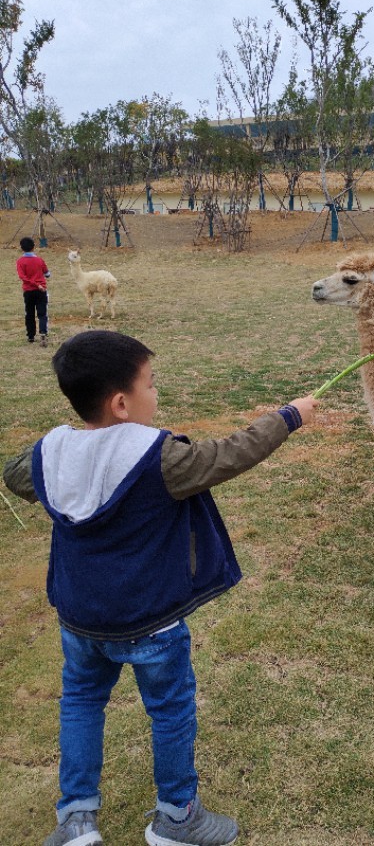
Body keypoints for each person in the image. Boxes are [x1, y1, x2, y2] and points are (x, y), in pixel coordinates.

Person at [3, 330, 318, 846]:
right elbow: (232, 453)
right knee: (170, 710)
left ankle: (76, 821)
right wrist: (290, 416)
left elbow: (16, 476)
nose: (157, 394)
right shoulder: (162, 458)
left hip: (80, 619)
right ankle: (177, 818)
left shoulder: (51, 451)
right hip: (151, 623)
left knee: (81, 701)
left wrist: (60, 443)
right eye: (151, 384)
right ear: (122, 403)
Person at [16, 236, 51, 347]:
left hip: (28, 291)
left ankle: (31, 336)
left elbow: (23, 277)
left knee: (29, 313)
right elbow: (47, 274)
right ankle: (43, 333)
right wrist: (38, 284)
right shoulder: (39, 260)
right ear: (33, 247)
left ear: (22, 248)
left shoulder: (20, 261)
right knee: (42, 313)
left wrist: (33, 284)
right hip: (41, 290)